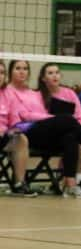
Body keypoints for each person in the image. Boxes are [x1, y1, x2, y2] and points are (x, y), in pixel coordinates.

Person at [5, 60, 81, 198]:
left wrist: (50, 118)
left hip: (42, 131)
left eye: (25, 68)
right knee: (67, 119)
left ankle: (71, 184)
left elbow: (41, 112)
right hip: (25, 131)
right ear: (10, 72)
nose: (22, 71)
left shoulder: (33, 93)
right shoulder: (9, 91)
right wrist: (50, 118)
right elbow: (24, 114)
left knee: (70, 136)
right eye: (18, 68)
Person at [0, 60, 36, 197]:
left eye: (2, 73)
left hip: (4, 136)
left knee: (21, 140)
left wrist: (15, 129)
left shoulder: (7, 93)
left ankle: (19, 184)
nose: (0, 76)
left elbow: (14, 120)